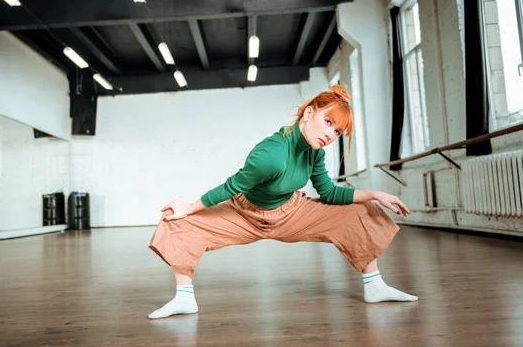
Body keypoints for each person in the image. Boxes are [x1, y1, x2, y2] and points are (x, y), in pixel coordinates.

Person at [147, 84, 418, 320]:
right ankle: (184, 298)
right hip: (244, 215)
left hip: (292, 213)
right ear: (309, 112)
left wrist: (375, 194)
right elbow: (233, 186)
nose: (330, 134)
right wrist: (190, 207)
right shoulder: (272, 154)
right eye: (328, 122)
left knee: (361, 209)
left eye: (337, 132)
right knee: (178, 220)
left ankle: (375, 286)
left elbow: (329, 194)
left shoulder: (314, 152)